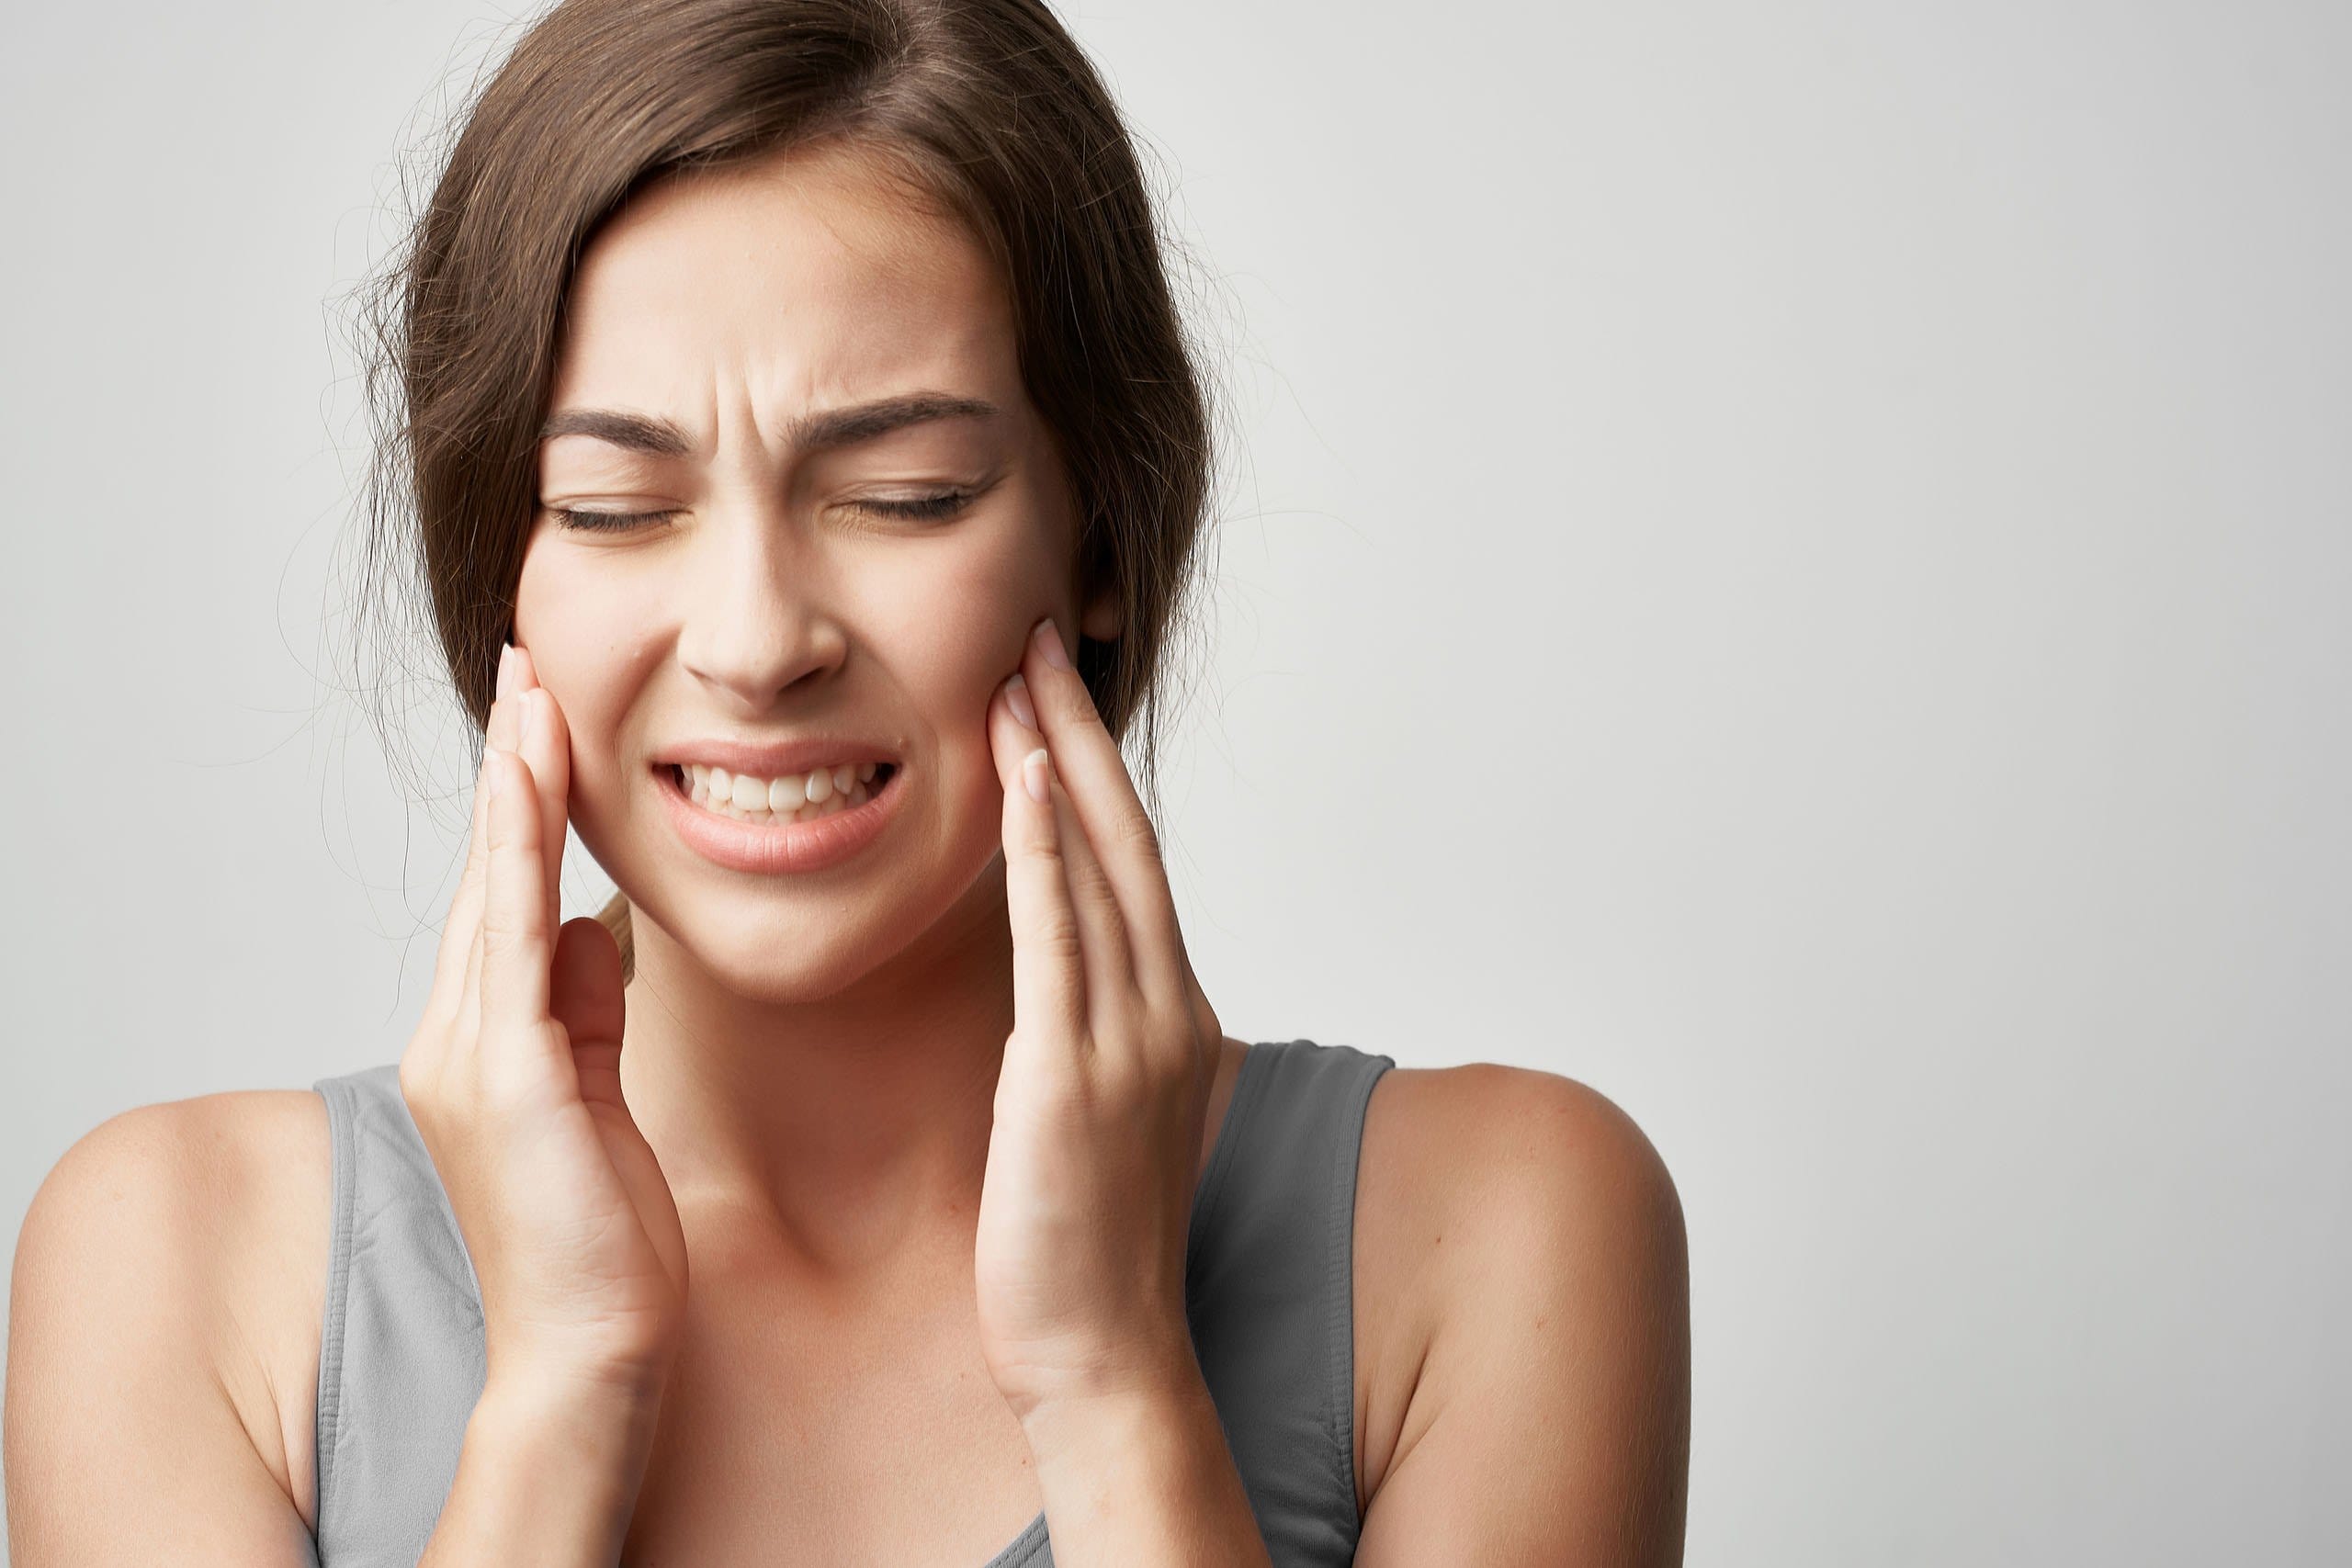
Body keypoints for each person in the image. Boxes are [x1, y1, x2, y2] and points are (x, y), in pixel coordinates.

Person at [4, 1, 1690, 1562]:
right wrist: (560, 1399)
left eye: (904, 491)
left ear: (1097, 536)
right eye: (611, 507)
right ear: (498, 570)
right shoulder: (182, 1266)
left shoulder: (1496, 1230)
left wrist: (1117, 1394)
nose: (754, 641)